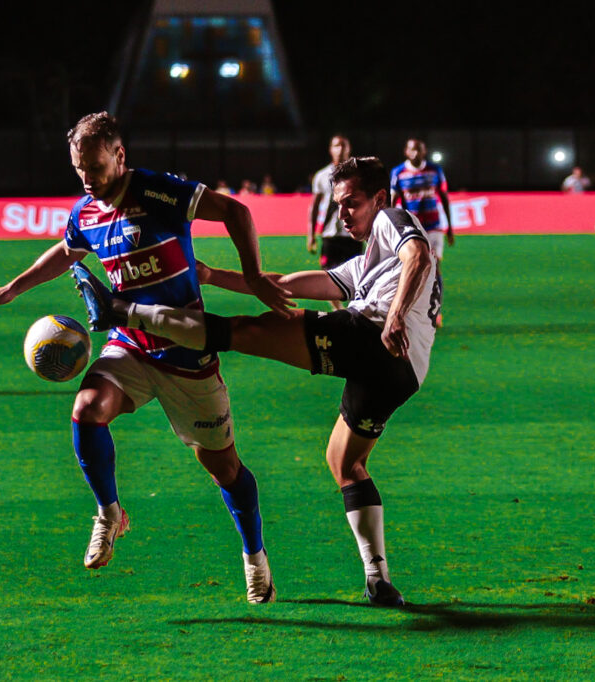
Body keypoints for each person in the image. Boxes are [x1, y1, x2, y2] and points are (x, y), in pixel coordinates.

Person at [73, 156, 438, 607]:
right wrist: (212, 276)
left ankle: (123, 312)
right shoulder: (366, 265)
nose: (343, 214)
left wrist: (397, 315)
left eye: (352, 203)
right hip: (400, 374)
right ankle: (378, 579)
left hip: (374, 338)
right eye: (339, 205)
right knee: (345, 464)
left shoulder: (392, 219)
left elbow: (419, 255)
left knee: (243, 333)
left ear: (380, 199)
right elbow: (284, 284)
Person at [0, 112, 291, 603]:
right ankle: (109, 513)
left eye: (95, 167)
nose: (87, 179)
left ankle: (254, 556)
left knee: (224, 469)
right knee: (86, 410)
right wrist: (11, 290)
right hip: (130, 345)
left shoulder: (159, 192)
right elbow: (65, 251)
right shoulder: (85, 213)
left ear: (120, 155)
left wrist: (256, 275)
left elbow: (237, 213)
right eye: (79, 169)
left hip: (187, 354)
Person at [390, 138, 450, 326]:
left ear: (424, 152)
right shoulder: (398, 172)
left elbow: (443, 196)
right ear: (406, 152)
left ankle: (436, 311)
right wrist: (392, 226)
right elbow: (394, 200)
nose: (415, 153)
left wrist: (451, 228)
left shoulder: (435, 170)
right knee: (411, 269)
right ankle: (410, 310)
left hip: (433, 226)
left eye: (419, 150)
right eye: (412, 150)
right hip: (412, 228)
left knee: (434, 267)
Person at [307, 134, 362, 310]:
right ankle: (338, 310)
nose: (340, 149)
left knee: (357, 275)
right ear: (330, 149)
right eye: (336, 145)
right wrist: (311, 235)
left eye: (343, 146)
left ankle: (354, 308)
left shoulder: (359, 175)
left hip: (353, 232)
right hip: (329, 233)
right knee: (328, 274)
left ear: (349, 149)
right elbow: (314, 207)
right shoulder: (322, 175)